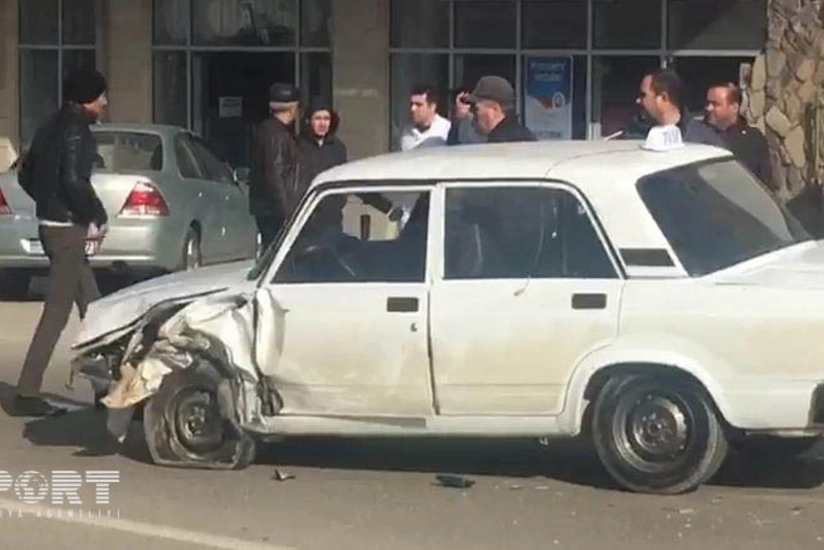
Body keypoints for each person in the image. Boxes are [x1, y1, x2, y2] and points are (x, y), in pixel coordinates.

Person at [11, 68, 109, 417]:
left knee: (95, 308)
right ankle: (26, 392)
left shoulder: (48, 126)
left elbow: (24, 173)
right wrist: (97, 214)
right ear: (87, 99)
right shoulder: (78, 132)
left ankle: (107, 391)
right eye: (101, 97)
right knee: (57, 311)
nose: (105, 103)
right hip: (68, 229)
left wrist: (45, 202)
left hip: (53, 225)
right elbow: (73, 181)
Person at [249, 83, 302, 251]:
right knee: (278, 254)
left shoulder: (268, 130)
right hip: (275, 211)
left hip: (268, 208)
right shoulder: (276, 135)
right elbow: (276, 174)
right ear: (292, 108)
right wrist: (287, 211)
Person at [637, 69, 726, 147]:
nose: (638, 100)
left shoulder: (704, 141)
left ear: (664, 98)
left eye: (643, 95)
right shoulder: (635, 134)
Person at [705, 82, 771, 184]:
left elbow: (764, 182)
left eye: (715, 104)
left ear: (734, 107)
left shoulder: (753, 140)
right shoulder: (697, 134)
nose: (709, 108)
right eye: (708, 103)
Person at [466, 75, 537, 143]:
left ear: (495, 109)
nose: (472, 113)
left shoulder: (500, 143)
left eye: (476, 109)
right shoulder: (524, 134)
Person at [298, 99, 348, 187]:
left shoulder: (338, 147)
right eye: (318, 119)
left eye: (326, 119)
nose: (322, 124)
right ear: (308, 120)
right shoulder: (296, 145)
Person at [400, 84, 451, 151]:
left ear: (432, 107)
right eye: (411, 104)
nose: (413, 109)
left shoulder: (446, 129)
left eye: (418, 104)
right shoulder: (407, 130)